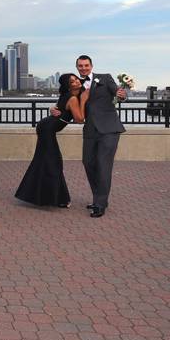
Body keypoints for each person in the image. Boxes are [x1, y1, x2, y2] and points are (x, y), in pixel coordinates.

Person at [57, 55, 126, 218]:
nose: (83, 68)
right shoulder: (77, 87)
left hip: (109, 129)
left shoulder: (105, 78)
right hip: (90, 131)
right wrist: (55, 111)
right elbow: (67, 104)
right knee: (88, 163)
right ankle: (99, 197)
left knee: (103, 165)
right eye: (80, 66)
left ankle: (100, 203)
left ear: (91, 66)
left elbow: (117, 92)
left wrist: (121, 94)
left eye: (86, 65)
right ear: (77, 68)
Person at [15, 73, 87, 207]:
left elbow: (58, 110)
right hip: (46, 130)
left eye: (76, 79)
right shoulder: (72, 98)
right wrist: (83, 100)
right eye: (72, 82)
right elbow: (79, 119)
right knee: (53, 163)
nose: (76, 82)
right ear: (68, 86)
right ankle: (60, 199)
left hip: (46, 128)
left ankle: (44, 197)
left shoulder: (69, 96)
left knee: (44, 162)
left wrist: (52, 108)